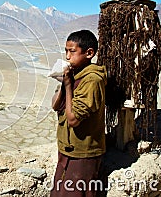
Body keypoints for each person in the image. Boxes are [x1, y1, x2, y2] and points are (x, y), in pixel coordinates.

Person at [50, 30, 107, 197]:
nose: (67, 57)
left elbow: (74, 119)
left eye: (72, 51)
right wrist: (62, 84)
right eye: (66, 51)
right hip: (67, 150)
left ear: (89, 53)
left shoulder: (92, 80)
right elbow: (55, 105)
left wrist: (69, 86)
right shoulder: (73, 73)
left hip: (83, 153)